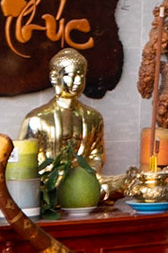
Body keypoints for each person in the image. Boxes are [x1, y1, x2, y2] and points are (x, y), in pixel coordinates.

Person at [18, 47, 106, 178]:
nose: (78, 81)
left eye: (81, 75)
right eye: (70, 75)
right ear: (54, 77)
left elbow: (97, 154)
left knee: (121, 183)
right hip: (47, 183)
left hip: (83, 182)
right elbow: (24, 161)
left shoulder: (93, 117)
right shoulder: (36, 119)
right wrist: (51, 179)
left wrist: (86, 176)